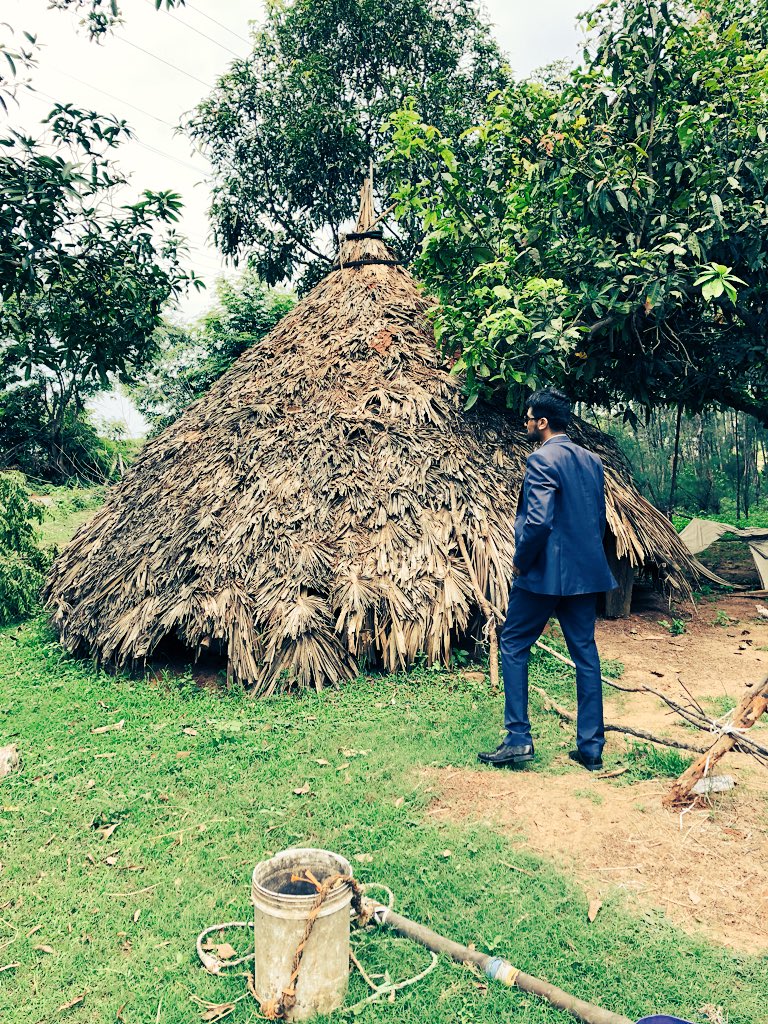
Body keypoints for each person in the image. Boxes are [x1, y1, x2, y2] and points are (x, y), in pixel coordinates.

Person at [478, 389, 617, 772]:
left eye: (528, 418)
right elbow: (597, 519)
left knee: (513, 642)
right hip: (584, 576)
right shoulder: (592, 461)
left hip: (543, 575)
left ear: (542, 422)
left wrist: (521, 561)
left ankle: (519, 739)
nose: (525, 424)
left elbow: (538, 521)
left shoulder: (541, 459)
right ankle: (591, 748)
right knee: (585, 655)